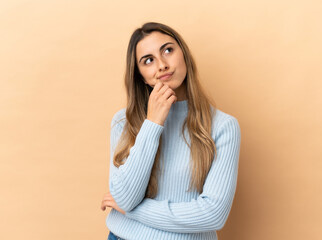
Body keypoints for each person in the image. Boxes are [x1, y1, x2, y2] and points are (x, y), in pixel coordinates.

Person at [100, 22, 241, 240]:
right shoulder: (123, 121)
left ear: (184, 54)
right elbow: (126, 197)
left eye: (167, 50)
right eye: (148, 60)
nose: (162, 65)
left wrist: (132, 211)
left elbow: (213, 215)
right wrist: (153, 123)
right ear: (140, 75)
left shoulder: (223, 126)